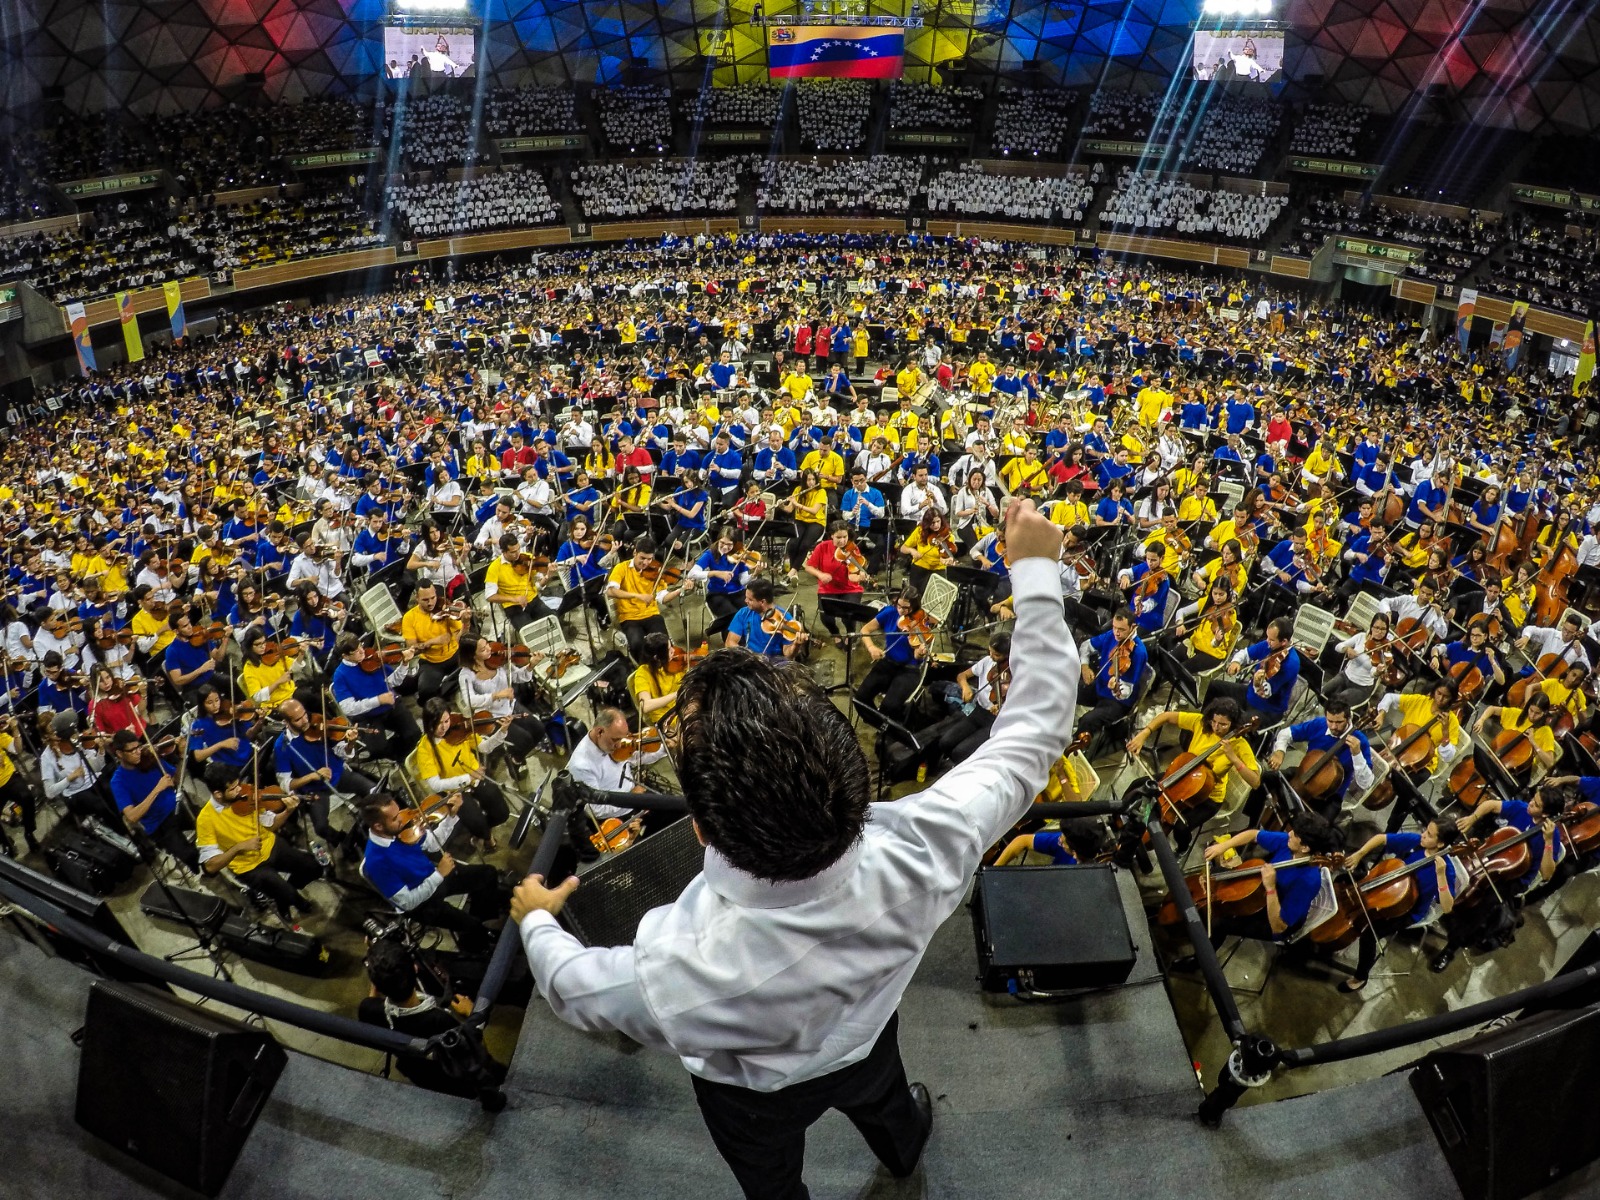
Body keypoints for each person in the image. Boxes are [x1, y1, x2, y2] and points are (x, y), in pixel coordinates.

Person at [510, 498, 1072, 1200]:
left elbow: (570, 988)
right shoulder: (926, 845)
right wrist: (1038, 571)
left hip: (752, 1097)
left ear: (703, 829)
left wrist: (535, 915)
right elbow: (1036, 734)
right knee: (888, 1106)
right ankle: (902, 1152)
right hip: (867, 1040)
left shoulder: (679, 973)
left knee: (771, 1182)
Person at [357, 935, 509, 1097]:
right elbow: (478, 1053)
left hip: (422, 1075)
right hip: (460, 1081)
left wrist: (378, 969)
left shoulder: (368, 1009)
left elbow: (371, 999)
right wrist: (472, 1014)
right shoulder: (439, 1020)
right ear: (415, 968)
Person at [360, 793, 502, 954]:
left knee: (488, 874)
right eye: (394, 818)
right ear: (378, 826)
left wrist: (451, 818)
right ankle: (475, 946)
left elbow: (433, 845)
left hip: (433, 876)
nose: (401, 819)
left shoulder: (402, 828)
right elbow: (407, 902)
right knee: (472, 926)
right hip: (422, 904)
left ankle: (482, 924)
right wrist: (440, 874)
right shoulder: (376, 862)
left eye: (399, 812)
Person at [1339, 819, 1462, 994]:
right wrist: (1360, 854)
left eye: (1429, 835)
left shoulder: (1445, 869)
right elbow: (1381, 838)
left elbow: (1448, 907)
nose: (1423, 835)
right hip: (1386, 887)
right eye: (1426, 830)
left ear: (1441, 843)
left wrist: (1441, 876)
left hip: (1407, 909)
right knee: (1343, 881)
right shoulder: (1416, 842)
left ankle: (1360, 977)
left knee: (1369, 934)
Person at [1127, 695, 1260, 850]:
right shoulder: (1202, 723)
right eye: (1214, 721)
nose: (1216, 727)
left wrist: (1234, 759)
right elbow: (1166, 716)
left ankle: (1182, 848)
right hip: (1182, 775)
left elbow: (1255, 782)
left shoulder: (1239, 745)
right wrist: (1145, 733)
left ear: (1233, 724)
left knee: (1180, 828)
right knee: (1138, 785)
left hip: (1208, 795)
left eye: (1223, 725)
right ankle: (1122, 813)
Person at [197, 764, 321, 921]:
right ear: (218, 794)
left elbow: (271, 824)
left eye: (238, 785)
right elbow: (210, 866)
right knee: (291, 895)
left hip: (271, 845)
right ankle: (295, 902)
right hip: (249, 867)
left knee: (314, 868)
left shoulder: (247, 793)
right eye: (233, 789)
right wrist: (239, 847)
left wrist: (288, 811)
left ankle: (282, 896)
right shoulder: (205, 820)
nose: (240, 790)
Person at [415, 697, 513, 853]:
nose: (444, 727)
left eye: (446, 721)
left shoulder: (459, 726)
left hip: (476, 777)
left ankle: (483, 832)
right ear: (428, 723)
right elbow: (435, 784)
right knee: (476, 823)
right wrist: (467, 778)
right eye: (438, 723)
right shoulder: (425, 749)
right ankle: (486, 837)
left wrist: (502, 732)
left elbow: (485, 747)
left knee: (502, 813)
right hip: (454, 791)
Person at [1263, 699, 1375, 821]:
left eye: (1339, 722)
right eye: (1330, 721)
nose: (1333, 726)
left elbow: (1366, 783)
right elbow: (1286, 733)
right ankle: (1252, 823)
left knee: (1319, 830)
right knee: (1264, 779)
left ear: (1348, 719)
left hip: (1331, 795)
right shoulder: (1319, 724)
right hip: (1303, 775)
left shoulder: (1361, 742)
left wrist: (1357, 754)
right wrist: (1279, 751)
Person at [109, 728, 198, 870]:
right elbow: (132, 817)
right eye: (132, 751)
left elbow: (176, 780)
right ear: (120, 754)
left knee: (208, 821)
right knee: (189, 855)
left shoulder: (149, 758)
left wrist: (181, 757)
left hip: (177, 806)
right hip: (160, 825)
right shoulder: (118, 781)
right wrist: (157, 789)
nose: (138, 752)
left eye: (138, 747)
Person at [607, 536, 693, 663]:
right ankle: (646, 669)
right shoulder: (621, 568)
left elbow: (663, 598)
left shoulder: (655, 573)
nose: (646, 563)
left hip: (651, 614)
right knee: (637, 644)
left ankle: (663, 667)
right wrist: (638, 596)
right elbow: (610, 591)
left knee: (664, 643)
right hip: (629, 617)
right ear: (635, 553)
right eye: (642, 558)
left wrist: (679, 590)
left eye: (649, 559)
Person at [855, 586, 931, 724]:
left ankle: (887, 728)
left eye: (906, 608)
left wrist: (920, 653)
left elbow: (916, 656)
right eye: (899, 605)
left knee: (889, 707)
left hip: (909, 669)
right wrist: (871, 647)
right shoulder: (890, 612)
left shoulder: (920, 620)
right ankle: (881, 725)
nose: (901, 610)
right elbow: (865, 629)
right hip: (888, 662)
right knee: (860, 698)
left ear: (914, 606)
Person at [1076, 607, 1148, 738]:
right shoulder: (1112, 635)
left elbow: (1126, 692)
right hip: (1100, 686)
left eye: (1121, 630)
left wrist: (1116, 689)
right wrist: (1085, 667)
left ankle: (1074, 749)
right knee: (1069, 690)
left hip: (1117, 703)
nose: (1117, 633)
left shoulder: (1139, 652)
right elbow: (1086, 645)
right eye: (1115, 627)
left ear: (1133, 627)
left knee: (1087, 721)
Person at [401, 581, 468, 701]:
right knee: (426, 692)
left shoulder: (446, 609)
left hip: (454, 655)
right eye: (425, 600)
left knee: (477, 669)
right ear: (417, 598)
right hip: (431, 662)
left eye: (433, 598)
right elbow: (412, 649)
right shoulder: (409, 618)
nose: (431, 603)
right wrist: (432, 642)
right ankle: (448, 687)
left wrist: (466, 622)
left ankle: (448, 685)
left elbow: (462, 637)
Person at [725, 579, 808, 659]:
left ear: (762, 602)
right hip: (750, 660)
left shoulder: (786, 619)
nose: (745, 601)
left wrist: (796, 645)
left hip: (775, 664)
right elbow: (730, 643)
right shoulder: (743, 613)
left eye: (750, 599)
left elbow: (788, 655)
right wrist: (751, 657)